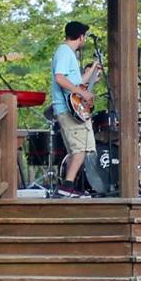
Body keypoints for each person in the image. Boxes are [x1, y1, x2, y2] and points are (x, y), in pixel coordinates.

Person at [49, 21, 102, 195]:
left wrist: (94, 68)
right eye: (84, 36)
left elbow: (78, 82)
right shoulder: (64, 52)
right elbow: (60, 78)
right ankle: (67, 187)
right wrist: (82, 93)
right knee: (81, 149)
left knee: (77, 149)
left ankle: (66, 186)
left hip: (71, 108)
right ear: (81, 36)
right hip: (68, 109)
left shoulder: (67, 53)